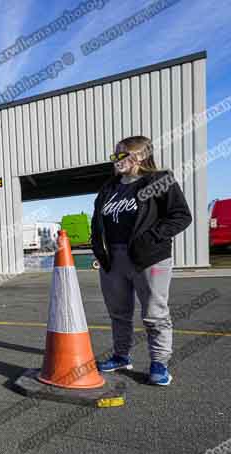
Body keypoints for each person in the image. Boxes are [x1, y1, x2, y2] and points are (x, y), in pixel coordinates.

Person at [91, 135, 192, 386]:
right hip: (113, 260)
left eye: (120, 155)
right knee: (119, 313)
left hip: (149, 258)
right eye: (114, 155)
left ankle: (159, 364)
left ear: (139, 156)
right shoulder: (109, 187)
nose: (115, 160)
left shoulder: (158, 180)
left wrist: (152, 237)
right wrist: (98, 248)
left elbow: (181, 216)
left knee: (154, 314)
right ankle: (121, 356)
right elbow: (97, 221)